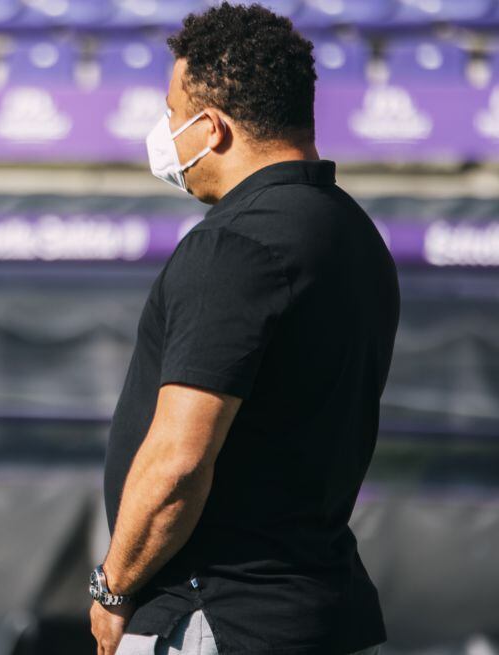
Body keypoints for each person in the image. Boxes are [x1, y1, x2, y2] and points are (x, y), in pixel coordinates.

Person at [89, 4, 399, 655]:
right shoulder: (352, 231)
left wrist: (114, 588)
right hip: (323, 608)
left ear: (212, 127)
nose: (165, 131)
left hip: (218, 615)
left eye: (173, 115)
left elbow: (179, 460)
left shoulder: (237, 243)